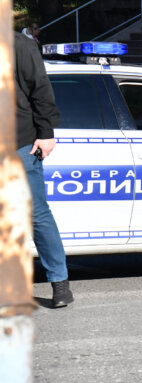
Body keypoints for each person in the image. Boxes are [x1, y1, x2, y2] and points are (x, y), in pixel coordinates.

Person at [15, 32, 73, 307]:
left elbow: (40, 88)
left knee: (36, 215)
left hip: (20, 143)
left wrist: (46, 132)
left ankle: (60, 284)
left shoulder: (19, 44)